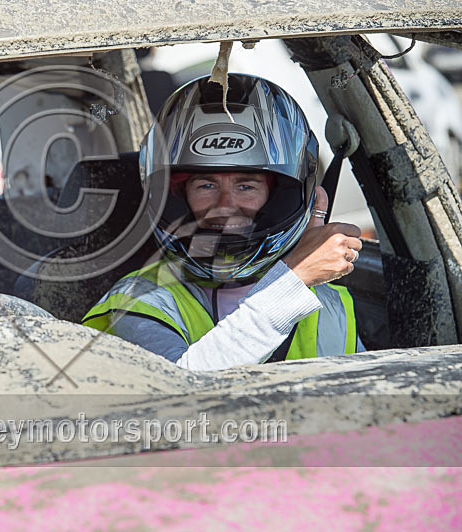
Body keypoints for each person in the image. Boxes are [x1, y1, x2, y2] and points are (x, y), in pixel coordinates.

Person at [82, 73, 363, 370]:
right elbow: (183, 388)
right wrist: (292, 278)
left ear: (280, 197)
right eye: (206, 185)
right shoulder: (139, 301)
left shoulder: (333, 306)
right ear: (177, 197)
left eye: (246, 186)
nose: (225, 205)